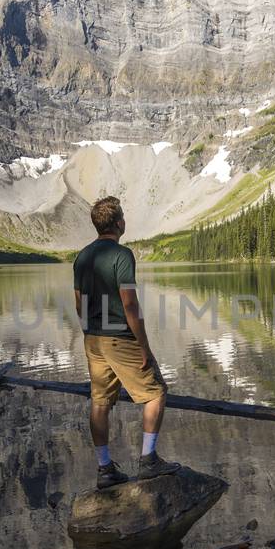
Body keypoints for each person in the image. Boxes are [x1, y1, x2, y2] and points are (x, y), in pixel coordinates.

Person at [73, 196, 180, 487]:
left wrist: (89, 332)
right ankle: (148, 460)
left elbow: (79, 303)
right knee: (156, 392)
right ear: (119, 223)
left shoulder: (82, 256)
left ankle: (105, 469)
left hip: (92, 339)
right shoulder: (122, 255)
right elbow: (130, 304)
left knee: (100, 402)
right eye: (123, 216)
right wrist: (144, 346)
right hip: (119, 337)